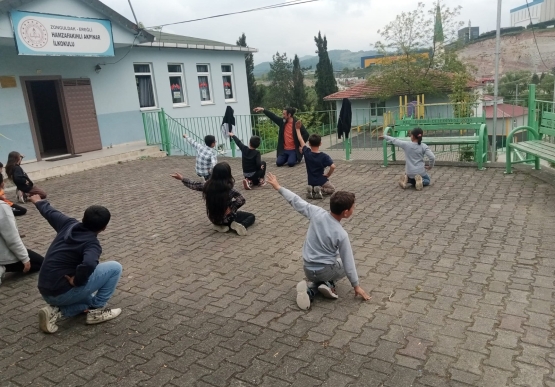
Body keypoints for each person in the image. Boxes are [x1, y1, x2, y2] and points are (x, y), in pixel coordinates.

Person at [265, 173, 371, 310]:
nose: (354, 209)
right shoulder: (341, 234)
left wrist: (278, 187)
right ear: (345, 213)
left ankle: (311, 290)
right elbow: (348, 263)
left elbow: (296, 201)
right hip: (324, 270)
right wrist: (356, 286)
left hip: (308, 269)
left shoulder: (317, 213)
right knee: (343, 263)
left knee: (333, 261)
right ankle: (328, 284)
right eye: (353, 207)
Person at [29, 195, 122, 333]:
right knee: (115, 267)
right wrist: (77, 281)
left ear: (83, 218)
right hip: (62, 292)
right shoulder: (92, 244)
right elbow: (89, 263)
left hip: (45, 289)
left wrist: (37, 200)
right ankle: (96, 311)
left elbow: (50, 212)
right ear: (104, 228)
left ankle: (55, 311)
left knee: (87, 300)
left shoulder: (68, 224)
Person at [171, 162, 255, 236]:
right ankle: (238, 225)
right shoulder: (229, 190)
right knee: (251, 216)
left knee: (221, 217)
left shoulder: (207, 186)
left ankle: (220, 226)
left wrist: (182, 178)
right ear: (228, 175)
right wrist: (231, 207)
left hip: (213, 218)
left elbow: (193, 185)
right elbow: (242, 200)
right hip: (227, 219)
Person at [0, 199, 43, 285]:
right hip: (3, 256)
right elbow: (12, 239)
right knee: (42, 263)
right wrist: (25, 258)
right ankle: (3, 267)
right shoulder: (2, 207)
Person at [294, 121, 336, 199]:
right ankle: (320, 189)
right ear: (320, 143)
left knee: (315, 185)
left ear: (309, 143)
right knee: (332, 189)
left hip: (310, 180)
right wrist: (328, 174)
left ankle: (312, 189)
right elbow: (333, 166)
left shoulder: (307, 152)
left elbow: (300, 139)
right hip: (321, 180)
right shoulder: (324, 156)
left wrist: (297, 129)